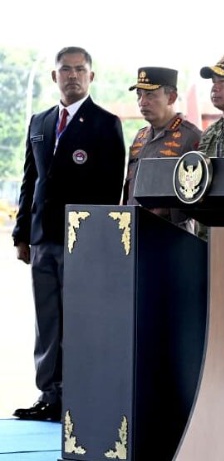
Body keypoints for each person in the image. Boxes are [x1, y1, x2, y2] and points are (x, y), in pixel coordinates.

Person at [11, 46, 126, 421]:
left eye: (80, 70)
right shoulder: (39, 122)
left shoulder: (105, 123)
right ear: (54, 76)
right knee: (47, 323)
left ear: (91, 76)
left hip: (84, 242)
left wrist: (100, 242)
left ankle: (80, 396)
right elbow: (31, 182)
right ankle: (49, 395)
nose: (73, 76)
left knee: (80, 321)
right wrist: (21, 235)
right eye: (66, 70)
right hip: (43, 240)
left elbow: (111, 190)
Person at [124, 67, 201, 226]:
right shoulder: (140, 136)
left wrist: (168, 209)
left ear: (171, 97)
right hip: (135, 229)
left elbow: (200, 196)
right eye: (139, 95)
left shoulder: (191, 137)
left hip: (173, 234)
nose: (142, 102)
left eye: (150, 95)